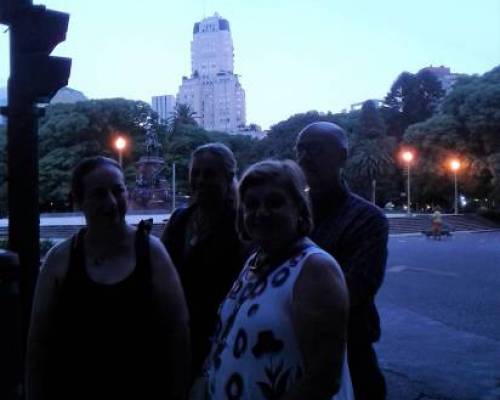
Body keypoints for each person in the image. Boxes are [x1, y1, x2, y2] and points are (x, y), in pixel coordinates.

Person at [26, 156, 190, 400]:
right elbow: (38, 342)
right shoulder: (59, 260)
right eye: (99, 194)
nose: (111, 202)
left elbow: (179, 332)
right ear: (78, 201)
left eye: (118, 191)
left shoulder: (153, 253)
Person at [205, 160, 353, 400]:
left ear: (299, 208)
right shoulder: (256, 260)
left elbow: (323, 379)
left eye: (274, 202)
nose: (261, 212)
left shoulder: (315, 269)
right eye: (251, 204)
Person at [296, 122, 389, 400]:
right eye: (300, 149)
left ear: (343, 157)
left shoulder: (368, 219)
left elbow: (356, 290)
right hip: (291, 352)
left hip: (350, 352)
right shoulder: (289, 215)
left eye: (316, 149)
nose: (305, 157)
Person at [161, 143, 248, 380]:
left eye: (209, 174)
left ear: (228, 176)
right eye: (195, 173)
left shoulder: (242, 226)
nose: (200, 180)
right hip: (178, 333)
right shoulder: (180, 220)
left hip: (222, 339)